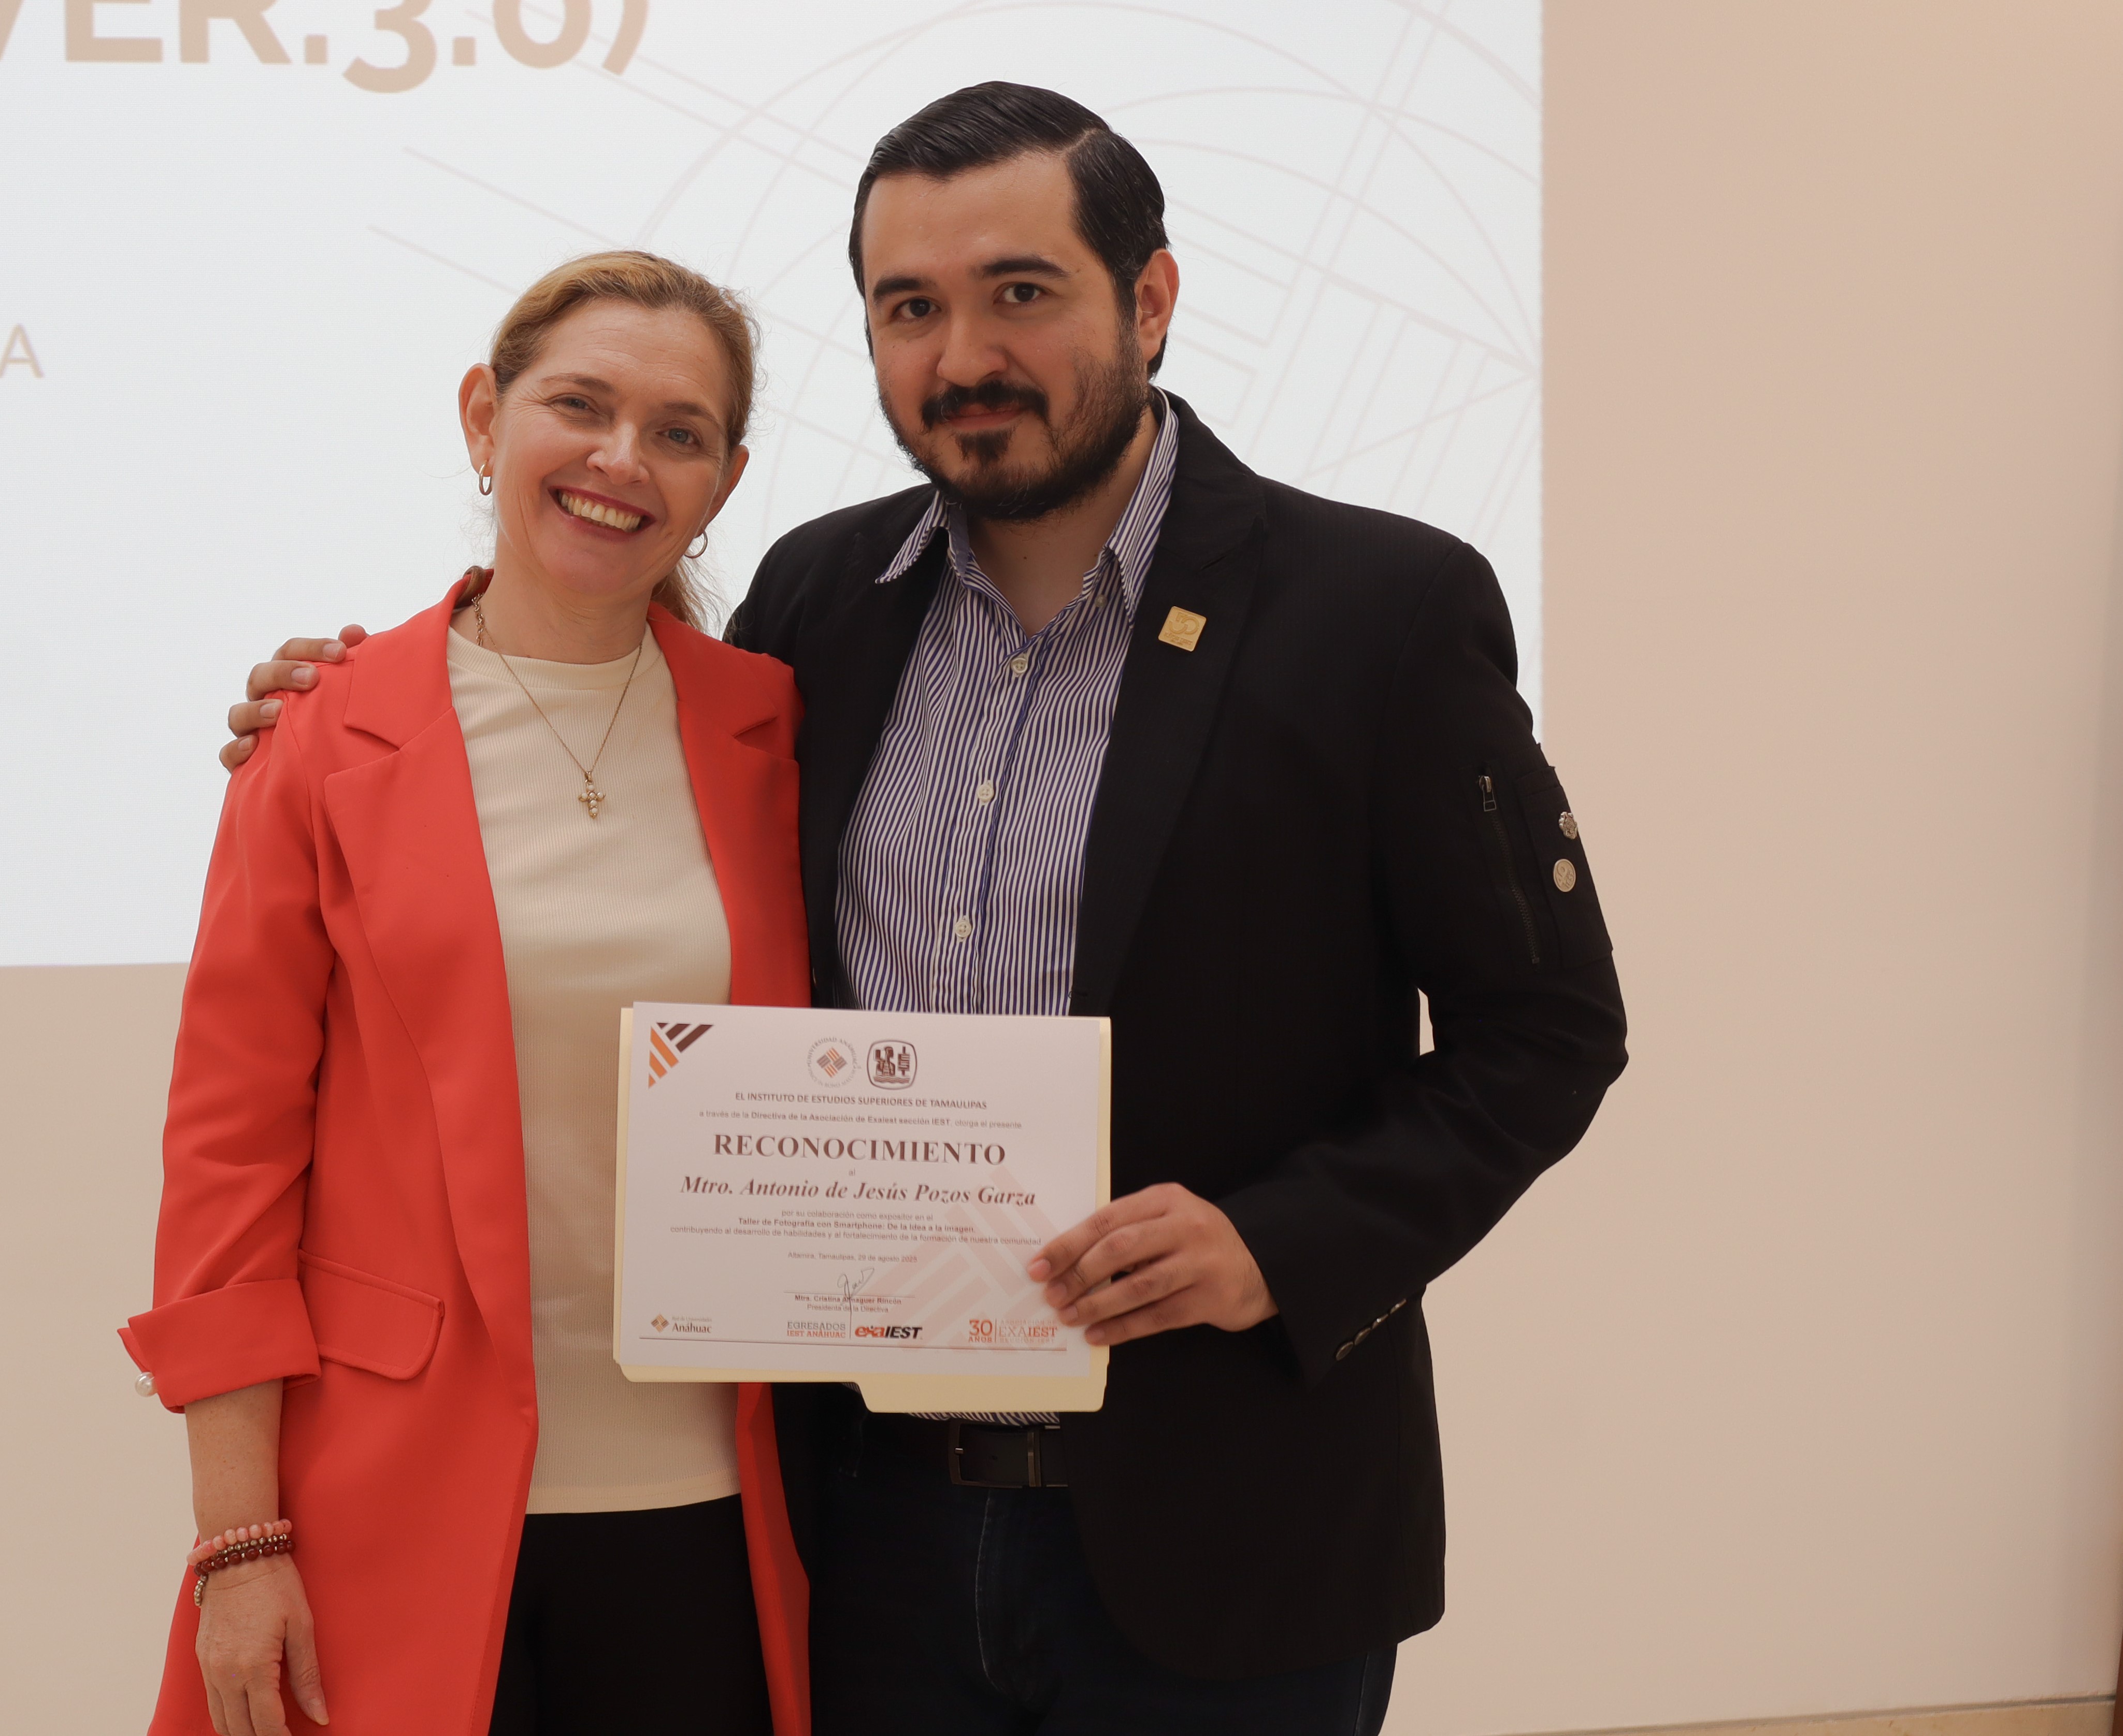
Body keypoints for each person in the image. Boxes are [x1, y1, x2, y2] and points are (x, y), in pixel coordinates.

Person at [219, 86, 1628, 1736]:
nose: (963, 353)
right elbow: (590, 703)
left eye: (1019, 291)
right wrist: (353, 697)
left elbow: (1545, 1033)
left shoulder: (1378, 609)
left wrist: (1278, 1245)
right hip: (861, 1525)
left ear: (1149, 298)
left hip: (1224, 1527)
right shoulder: (824, 601)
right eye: (909, 308)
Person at [123, 251, 814, 1736]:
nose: (622, 459)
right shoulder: (325, 733)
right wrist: (236, 1542)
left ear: (724, 478)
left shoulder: (773, 726)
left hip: (720, 1507)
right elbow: (231, 1162)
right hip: (389, 1497)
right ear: (483, 418)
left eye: (679, 432)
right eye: (581, 404)